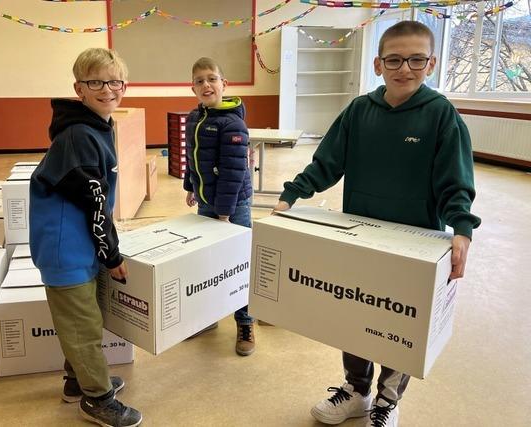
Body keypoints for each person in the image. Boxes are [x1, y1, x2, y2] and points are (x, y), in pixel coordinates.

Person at [274, 21, 481, 427]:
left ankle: (388, 398)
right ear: (378, 64)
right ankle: (356, 390)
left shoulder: (442, 116)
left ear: (431, 63)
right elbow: (327, 163)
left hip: (413, 244)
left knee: (400, 323)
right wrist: (291, 195)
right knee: (355, 313)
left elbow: (455, 181)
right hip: (359, 237)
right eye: (394, 59)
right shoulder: (358, 111)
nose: (405, 68)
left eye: (416, 59)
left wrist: (461, 229)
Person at [29, 47, 142, 427]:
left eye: (115, 81)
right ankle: (96, 398)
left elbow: (98, 200)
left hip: (79, 242)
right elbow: (94, 203)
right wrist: (112, 256)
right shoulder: (79, 135)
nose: (108, 89)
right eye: (96, 82)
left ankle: (78, 381)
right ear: (79, 88)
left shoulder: (97, 125)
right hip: (66, 248)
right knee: (83, 326)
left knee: (81, 320)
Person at [183, 57, 255, 356]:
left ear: (225, 84)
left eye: (212, 78)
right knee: (210, 262)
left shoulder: (232, 123)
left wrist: (224, 213)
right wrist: (190, 187)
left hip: (233, 205)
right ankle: (210, 316)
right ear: (193, 88)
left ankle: (245, 322)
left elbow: (234, 173)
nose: (206, 85)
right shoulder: (194, 118)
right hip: (206, 201)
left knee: (238, 263)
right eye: (199, 81)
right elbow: (194, 157)